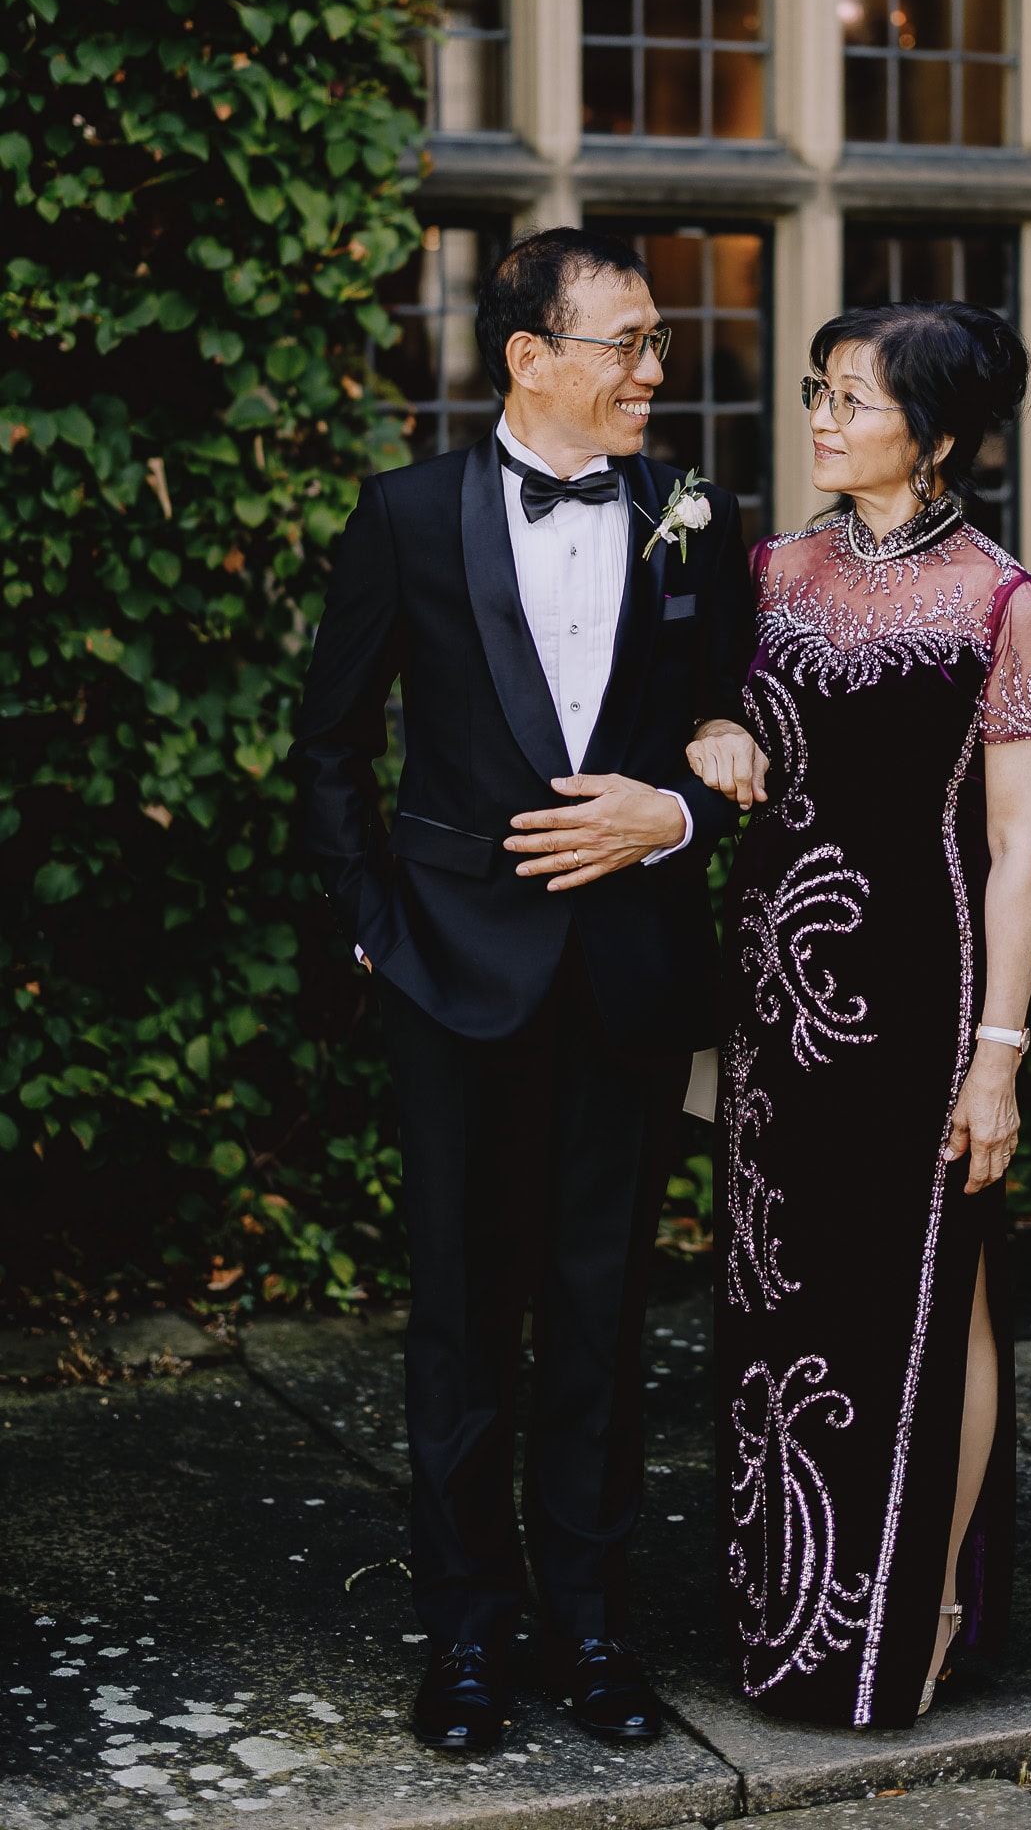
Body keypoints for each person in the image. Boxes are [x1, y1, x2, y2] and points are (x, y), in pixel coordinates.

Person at [287, 228, 760, 1754]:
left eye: (655, 343)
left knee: (603, 1308)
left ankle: (594, 1629)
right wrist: (374, 926)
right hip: (451, 974)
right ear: (529, 358)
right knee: (461, 1316)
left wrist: (677, 814)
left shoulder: (693, 517)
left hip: (624, 973)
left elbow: (735, 728)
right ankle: (468, 1637)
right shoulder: (406, 517)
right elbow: (330, 745)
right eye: (623, 342)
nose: (651, 370)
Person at [688, 302, 1031, 1729]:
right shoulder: (764, 572)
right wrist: (709, 728)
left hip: (926, 996)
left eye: (853, 398)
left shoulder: (996, 599)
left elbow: (1018, 848)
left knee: (932, 1285)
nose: (821, 416)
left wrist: (998, 1058)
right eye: (817, 391)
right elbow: (693, 718)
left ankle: (931, 1606)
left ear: (939, 434)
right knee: (779, 1303)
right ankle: (790, 1607)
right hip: (775, 1005)